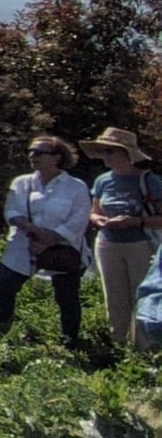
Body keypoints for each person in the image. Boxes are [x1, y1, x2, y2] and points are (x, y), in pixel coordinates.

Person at [0, 136, 90, 347]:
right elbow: (12, 212)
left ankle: (70, 340)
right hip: (23, 244)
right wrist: (35, 233)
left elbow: (78, 220)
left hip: (61, 248)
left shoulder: (75, 186)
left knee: (66, 296)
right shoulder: (22, 182)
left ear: (57, 157)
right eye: (31, 151)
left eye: (40, 152)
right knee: (2, 286)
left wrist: (49, 241)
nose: (33, 156)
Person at [82, 127, 162, 346]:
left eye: (110, 151)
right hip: (107, 243)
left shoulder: (149, 181)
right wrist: (99, 221)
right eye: (103, 151)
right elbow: (94, 211)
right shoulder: (102, 181)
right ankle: (119, 346)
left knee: (142, 294)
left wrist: (135, 221)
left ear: (127, 154)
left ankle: (145, 350)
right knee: (114, 297)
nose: (105, 156)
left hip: (140, 244)